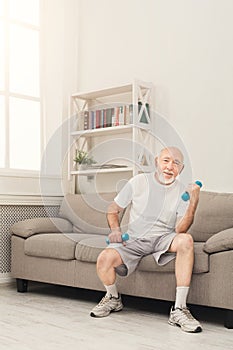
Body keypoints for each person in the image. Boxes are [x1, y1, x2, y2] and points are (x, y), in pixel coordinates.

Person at [90, 146, 202, 333]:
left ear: (181, 169)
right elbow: (113, 208)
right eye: (166, 160)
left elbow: (180, 229)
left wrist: (194, 202)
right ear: (157, 161)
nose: (169, 166)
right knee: (104, 258)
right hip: (134, 240)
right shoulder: (139, 182)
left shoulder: (183, 191)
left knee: (186, 240)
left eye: (176, 163)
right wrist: (116, 230)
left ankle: (179, 309)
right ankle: (113, 298)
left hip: (164, 238)